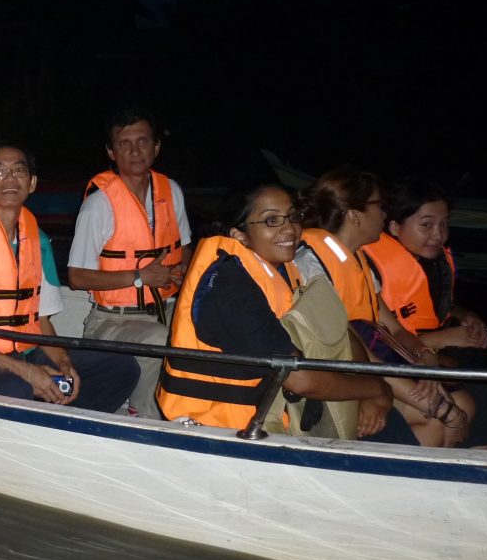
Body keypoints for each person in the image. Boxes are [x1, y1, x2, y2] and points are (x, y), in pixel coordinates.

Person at [156, 182, 417, 443]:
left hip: (278, 411)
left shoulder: (283, 271)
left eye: (293, 217)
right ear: (240, 235)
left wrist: (365, 388)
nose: (289, 228)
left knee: (393, 427)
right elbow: (298, 379)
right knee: (388, 436)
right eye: (271, 220)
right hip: (224, 430)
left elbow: (341, 332)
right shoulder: (229, 289)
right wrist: (375, 389)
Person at [0, 143, 139, 412]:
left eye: (19, 171)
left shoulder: (37, 240)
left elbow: (40, 320)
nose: (10, 179)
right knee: (15, 388)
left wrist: (64, 362)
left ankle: (67, 426)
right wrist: (27, 372)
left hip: (26, 351)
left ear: (32, 183)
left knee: (121, 368)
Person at [295, 168, 472, 447]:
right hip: (342, 373)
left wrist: (424, 360)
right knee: (444, 415)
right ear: (355, 214)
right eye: (380, 206)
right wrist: (416, 392)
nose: (385, 214)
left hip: (370, 368)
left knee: (457, 406)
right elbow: (347, 343)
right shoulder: (311, 266)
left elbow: (393, 328)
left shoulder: (361, 265)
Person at [362, 176, 487, 449]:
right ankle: (480, 468)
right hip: (405, 361)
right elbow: (376, 337)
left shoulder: (429, 263)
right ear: (394, 226)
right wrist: (446, 338)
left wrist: (464, 314)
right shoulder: (371, 270)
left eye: (443, 224)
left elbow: (436, 307)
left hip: (434, 353)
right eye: (427, 225)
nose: (438, 234)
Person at [67, 108, 192, 418]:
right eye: (124, 143)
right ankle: (146, 414)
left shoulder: (171, 191)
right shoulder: (99, 205)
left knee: (210, 330)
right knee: (162, 341)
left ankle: (207, 415)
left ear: (156, 147)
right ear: (111, 151)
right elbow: (77, 277)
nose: (135, 151)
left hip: (168, 307)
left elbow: (185, 247)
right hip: (112, 320)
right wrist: (140, 277)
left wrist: (181, 270)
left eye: (143, 141)